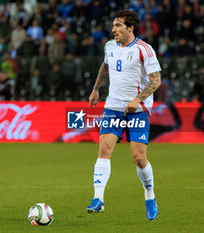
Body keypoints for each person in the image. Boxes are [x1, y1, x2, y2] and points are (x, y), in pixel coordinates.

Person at [86, 10, 161, 221]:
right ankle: (98, 199)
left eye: (118, 25)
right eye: (113, 25)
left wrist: (138, 99)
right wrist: (96, 88)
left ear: (130, 28)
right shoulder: (110, 46)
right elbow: (106, 65)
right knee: (104, 148)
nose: (113, 29)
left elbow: (156, 81)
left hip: (138, 109)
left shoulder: (144, 50)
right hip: (113, 107)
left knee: (139, 158)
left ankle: (149, 194)